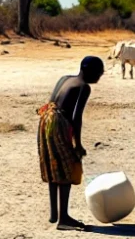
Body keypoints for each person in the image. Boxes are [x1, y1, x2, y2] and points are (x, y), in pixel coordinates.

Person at [38, 56, 104, 230]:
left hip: (46, 120)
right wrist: (78, 144)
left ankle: (54, 213)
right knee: (66, 167)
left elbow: (52, 102)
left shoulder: (65, 79)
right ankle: (64, 219)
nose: (100, 76)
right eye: (99, 73)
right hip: (60, 123)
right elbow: (76, 117)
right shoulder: (84, 87)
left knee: (53, 164)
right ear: (90, 72)